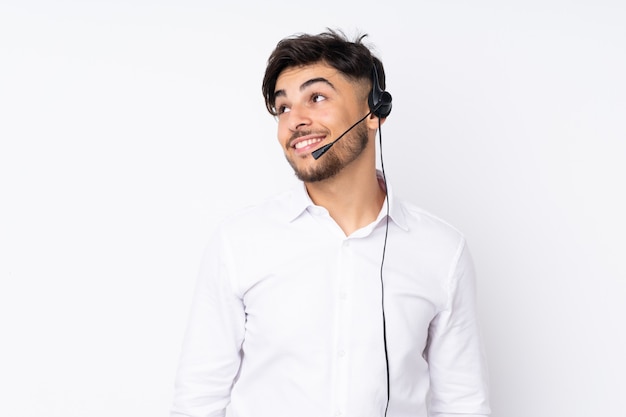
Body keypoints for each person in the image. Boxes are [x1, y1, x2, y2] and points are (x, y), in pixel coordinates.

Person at [170, 29, 491, 417]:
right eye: (283, 107)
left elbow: (461, 403)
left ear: (374, 113)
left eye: (316, 98)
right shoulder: (238, 243)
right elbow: (199, 399)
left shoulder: (442, 251)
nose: (294, 121)